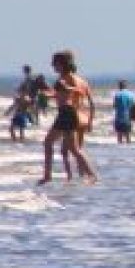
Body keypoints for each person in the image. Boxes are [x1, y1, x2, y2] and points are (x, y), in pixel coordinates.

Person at [38, 50, 97, 186]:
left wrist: (67, 87)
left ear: (62, 64)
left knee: (51, 143)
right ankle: (90, 175)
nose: (53, 66)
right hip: (70, 113)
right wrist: (48, 95)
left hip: (67, 113)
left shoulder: (68, 78)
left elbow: (78, 91)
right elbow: (62, 94)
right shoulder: (69, 79)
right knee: (72, 148)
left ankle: (48, 176)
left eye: (55, 64)